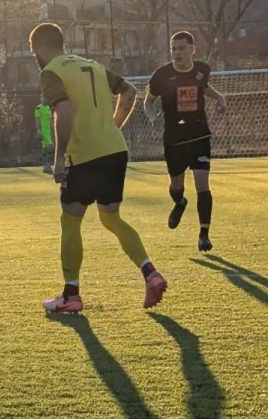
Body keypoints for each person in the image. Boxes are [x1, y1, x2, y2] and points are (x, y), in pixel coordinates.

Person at [30, 22, 167, 314]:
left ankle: (70, 295)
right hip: (115, 150)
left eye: (34, 52)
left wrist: (58, 158)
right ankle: (150, 273)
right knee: (111, 218)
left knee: (70, 221)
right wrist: (111, 128)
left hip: (84, 157)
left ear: (41, 48)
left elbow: (63, 111)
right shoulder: (91, 65)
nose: (36, 59)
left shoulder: (51, 71)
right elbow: (129, 92)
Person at [143, 31, 228, 253]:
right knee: (176, 185)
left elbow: (204, 88)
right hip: (173, 138)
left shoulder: (202, 70)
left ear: (192, 49)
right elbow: (148, 102)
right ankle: (180, 203)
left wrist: (219, 97)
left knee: (202, 185)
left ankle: (204, 235)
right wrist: (152, 118)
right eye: (173, 48)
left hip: (199, 135)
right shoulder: (162, 75)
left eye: (181, 48)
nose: (177, 53)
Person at [34, 102, 55, 174]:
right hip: (44, 131)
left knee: (46, 149)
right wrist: (38, 130)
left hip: (49, 131)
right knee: (49, 148)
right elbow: (37, 119)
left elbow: (51, 120)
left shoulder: (49, 107)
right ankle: (47, 166)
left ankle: (46, 167)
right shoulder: (38, 107)